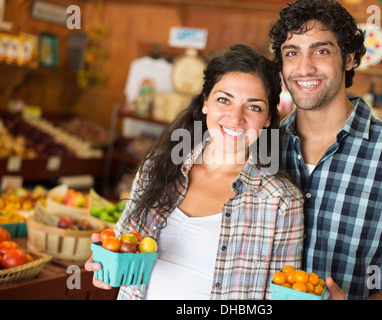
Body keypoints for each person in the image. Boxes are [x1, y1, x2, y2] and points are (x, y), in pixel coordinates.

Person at [85, 44, 304, 300]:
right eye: (224, 100)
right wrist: (104, 258)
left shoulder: (281, 200)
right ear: (205, 103)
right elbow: (123, 243)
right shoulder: (159, 166)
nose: (235, 118)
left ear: (267, 119)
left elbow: (283, 292)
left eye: (253, 107)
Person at [269, 0, 382, 300]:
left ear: (348, 59)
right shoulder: (263, 146)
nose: (304, 67)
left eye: (321, 51)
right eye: (292, 53)